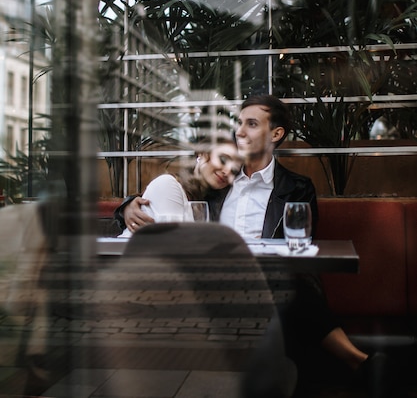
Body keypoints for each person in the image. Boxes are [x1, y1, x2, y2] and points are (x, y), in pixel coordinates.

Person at [114, 95, 394, 398]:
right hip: (209, 286)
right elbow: (171, 197)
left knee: (284, 285)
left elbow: (300, 248)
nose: (240, 132)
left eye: (251, 124)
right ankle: (354, 363)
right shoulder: (217, 182)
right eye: (238, 124)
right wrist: (127, 206)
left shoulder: (296, 188)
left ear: (276, 134)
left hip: (270, 283)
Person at [117, 134, 243, 238]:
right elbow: (175, 246)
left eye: (234, 170)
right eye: (223, 159)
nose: (227, 172)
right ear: (202, 154)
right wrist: (127, 206)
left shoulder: (213, 204)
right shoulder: (168, 185)